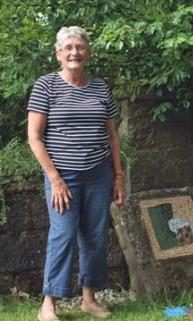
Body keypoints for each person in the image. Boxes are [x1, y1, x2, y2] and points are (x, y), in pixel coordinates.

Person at [27, 26, 125, 321]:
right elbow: (34, 137)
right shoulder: (46, 86)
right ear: (58, 53)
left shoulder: (100, 88)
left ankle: (89, 299)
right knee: (64, 234)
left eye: (80, 47)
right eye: (68, 47)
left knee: (94, 235)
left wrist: (118, 176)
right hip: (63, 176)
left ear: (88, 52)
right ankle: (49, 304)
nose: (74, 52)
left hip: (99, 173)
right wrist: (54, 179)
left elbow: (112, 137)